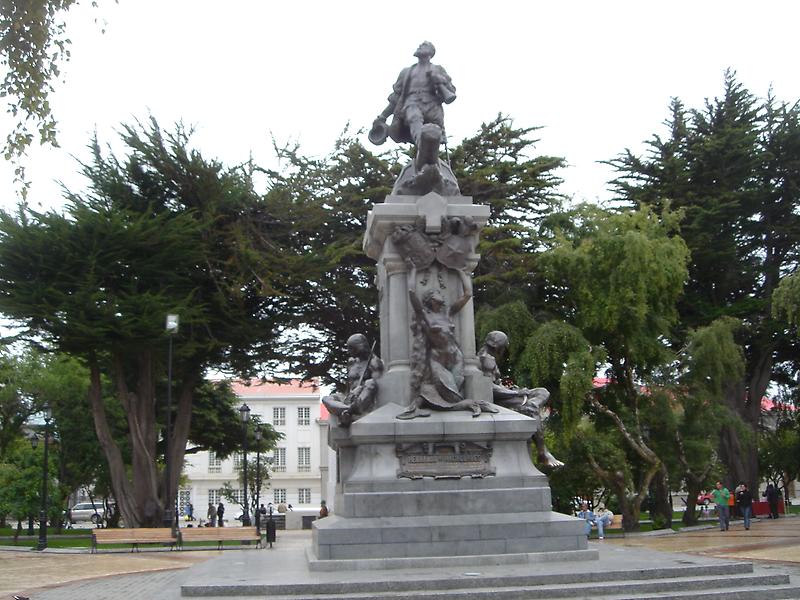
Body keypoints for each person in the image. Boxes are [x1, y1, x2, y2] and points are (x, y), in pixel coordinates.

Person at [477, 330, 563, 468]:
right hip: (498, 399)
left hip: (507, 394)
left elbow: (496, 383)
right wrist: (515, 394)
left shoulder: (489, 357)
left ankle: (531, 405)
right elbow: (489, 388)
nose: (504, 351)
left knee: (542, 392)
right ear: (498, 347)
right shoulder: (486, 359)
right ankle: (543, 452)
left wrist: (516, 391)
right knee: (531, 408)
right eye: (503, 347)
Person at [372, 41, 456, 148]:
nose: (419, 46)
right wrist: (383, 116)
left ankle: (428, 152)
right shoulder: (406, 72)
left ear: (430, 52)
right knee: (414, 118)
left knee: (435, 133)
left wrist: (439, 80)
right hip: (412, 103)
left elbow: (450, 92)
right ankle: (422, 146)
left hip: (433, 106)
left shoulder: (438, 69)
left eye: (424, 46)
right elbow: (396, 97)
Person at [321, 334, 384, 426]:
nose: (349, 351)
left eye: (351, 348)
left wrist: (361, 389)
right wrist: (350, 394)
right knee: (327, 398)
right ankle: (348, 410)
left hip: (363, 398)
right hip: (350, 397)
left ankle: (348, 412)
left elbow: (379, 385)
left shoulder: (374, 362)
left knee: (370, 383)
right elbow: (348, 385)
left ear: (360, 347)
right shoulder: (351, 362)